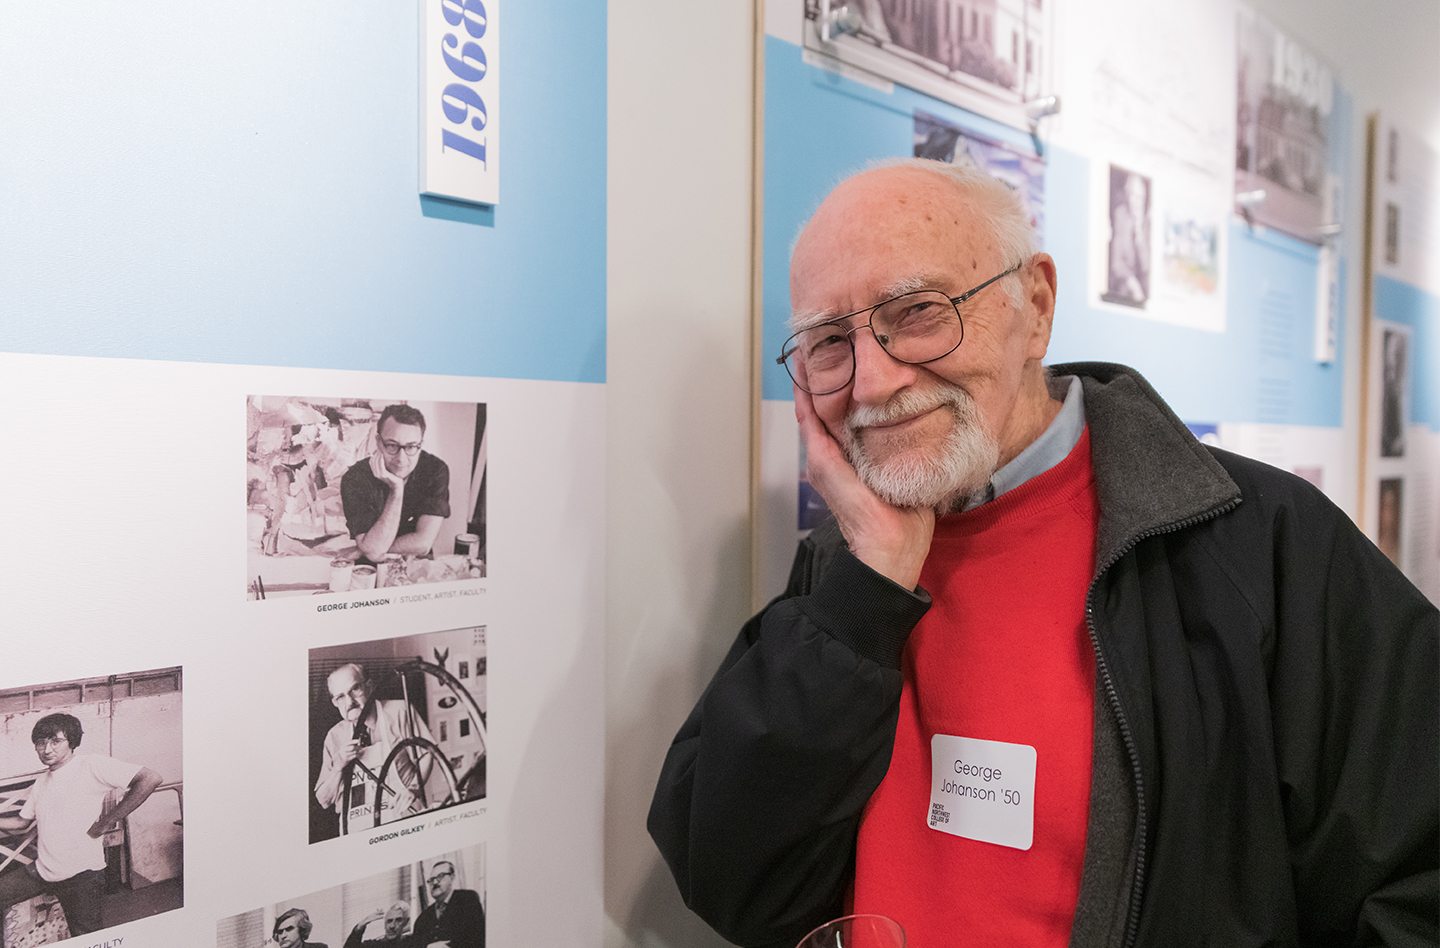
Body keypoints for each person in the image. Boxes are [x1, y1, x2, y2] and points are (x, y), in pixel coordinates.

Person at [648, 159, 1438, 948]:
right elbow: (732, 881)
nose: (873, 383)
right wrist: (868, 590)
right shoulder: (845, 564)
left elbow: (1414, 876)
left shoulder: (1256, 540)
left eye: (920, 311)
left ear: (1035, 305)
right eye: (827, 343)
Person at [0, 713, 163, 937]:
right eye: (41, 742)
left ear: (72, 741)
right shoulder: (41, 782)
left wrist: (106, 822)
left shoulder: (90, 765)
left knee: (86, 936)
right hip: (43, 870)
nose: (47, 749)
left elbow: (150, 778)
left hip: (81, 876)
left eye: (55, 741)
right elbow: (21, 822)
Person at [314, 664, 436, 834]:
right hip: (357, 833)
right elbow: (324, 800)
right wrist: (338, 766)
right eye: (340, 697)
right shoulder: (335, 736)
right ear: (334, 702)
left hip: (404, 820)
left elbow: (427, 753)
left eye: (355, 689)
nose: (349, 702)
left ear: (369, 685)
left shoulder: (399, 711)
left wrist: (414, 788)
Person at [340, 404, 451, 563]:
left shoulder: (435, 470)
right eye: (392, 445)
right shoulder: (355, 478)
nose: (401, 458)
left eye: (411, 446)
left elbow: (423, 544)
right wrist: (397, 490)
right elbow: (373, 553)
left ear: (420, 445)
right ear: (379, 441)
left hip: (416, 567)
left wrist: (368, 549)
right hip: (369, 569)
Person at [410, 860, 484, 948]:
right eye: (431, 880)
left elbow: (478, 939)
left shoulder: (468, 899)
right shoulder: (423, 918)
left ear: (452, 877)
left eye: (440, 876)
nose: (435, 882)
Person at [343, 901, 413, 948]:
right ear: (384, 924)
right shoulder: (375, 945)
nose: (392, 926)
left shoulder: (411, 941)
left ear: (405, 922)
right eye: (389, 921)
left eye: (398, 920)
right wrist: (360, 927)